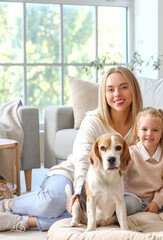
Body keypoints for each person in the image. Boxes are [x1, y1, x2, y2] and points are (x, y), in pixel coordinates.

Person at [0, 66, 143, 231]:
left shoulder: (142, 125)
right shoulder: (93, 121)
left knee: (94, 215)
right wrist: (79, 190)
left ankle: (23, 221)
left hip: (109, 185)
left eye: (124, 87)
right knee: (54, 203)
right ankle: (6, 204)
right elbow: (82, 159)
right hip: (72, 174)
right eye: (110, 89)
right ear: (104, 94)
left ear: (134, 89)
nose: (117, 94)